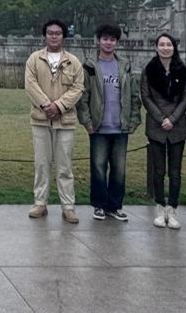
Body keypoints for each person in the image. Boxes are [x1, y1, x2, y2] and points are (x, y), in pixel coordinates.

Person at [23, 19, 86, 224]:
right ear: (45, 35)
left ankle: (68, 206)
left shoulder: (73, 62)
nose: (54, 36)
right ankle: (40, 203)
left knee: (64, 166)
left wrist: (58, 106)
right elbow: (30, 84)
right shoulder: (34, 59)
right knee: (41, 164)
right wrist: (45, 105)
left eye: (58, 33)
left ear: (63, 36)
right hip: (40, 120)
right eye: (50, 33)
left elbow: (78, 88)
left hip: (65, 121)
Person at [76, 23, 141, 222]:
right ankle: (99, 205)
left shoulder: (124, 65)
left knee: (119, 169)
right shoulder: (90, 66)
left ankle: (114, 206)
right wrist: (86, 122)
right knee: (98, 167)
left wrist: (133, 120)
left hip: (120, 126)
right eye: (105, 39)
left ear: (117, 42)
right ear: (98, 40)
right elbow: (83, 96)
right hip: (98, 127)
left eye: (112, 39)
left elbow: (134, 95)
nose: (108, 43)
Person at [141, 33, 186, 229]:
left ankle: (173, 208)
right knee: (158, 170)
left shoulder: (182, 70)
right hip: (157, 125)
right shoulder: (149, 70)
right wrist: (162, 119)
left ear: (174, 47)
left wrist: (173, 119)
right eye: (161, 44)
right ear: (156, 47)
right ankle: (160, 207)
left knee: (175, 172)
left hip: (177, 125)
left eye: (169, 44)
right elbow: (146, 97)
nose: (165, 48)